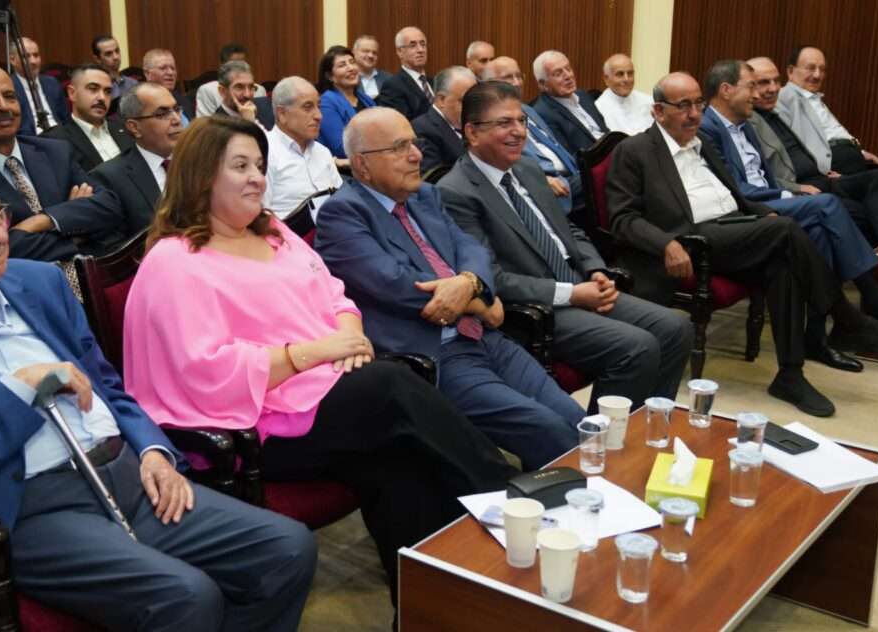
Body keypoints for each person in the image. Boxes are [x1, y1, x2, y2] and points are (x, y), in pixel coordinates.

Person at [0, 159, 316, 632]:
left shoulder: (40, 282)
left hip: (127, 473)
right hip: (27, 507)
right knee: (186, 598)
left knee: (287, 549)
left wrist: (152, 450)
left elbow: (108, 386)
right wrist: (20, 389)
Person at [122, 115, 517, 608]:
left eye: (260, 166)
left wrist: (350, 334)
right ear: (201, 176)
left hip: (330, 395)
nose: (257, 178)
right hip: (257, 425)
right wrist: (316, 353)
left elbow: (335, 296)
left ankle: (429, 609)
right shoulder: (174, 261)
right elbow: (203, 370)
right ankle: (511, 502)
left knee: (399, 467)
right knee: (391, 385)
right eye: (240, 166)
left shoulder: (274, 232)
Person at [606, 72, 878, 416]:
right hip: (693, 238)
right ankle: (848, 320)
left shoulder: (701, 142)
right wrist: (666, 244)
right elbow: (622, 218)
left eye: (698, 103)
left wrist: (763, 214)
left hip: (733, 226)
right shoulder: (635, 150)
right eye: (683, 105)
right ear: (658, 111)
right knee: (786, 230)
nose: (694, 113)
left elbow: (736, 195)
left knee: (783, 260)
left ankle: (790, 375)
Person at [315, 107, 585, 470]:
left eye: (414, 143)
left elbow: (473, 250)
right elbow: (396, 284)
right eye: (400, 147)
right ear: (362, 164)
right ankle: (572, 500)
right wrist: (479, 303)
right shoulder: (342, 214)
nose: (416, 155)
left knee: (576, 419)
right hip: (434, 355)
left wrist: (469, 282)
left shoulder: (425, 196)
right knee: (546, 429)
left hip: (487, 338)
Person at [438, 81, 693, 411]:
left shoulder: (526, 168)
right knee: (638, 346)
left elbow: (567, 229)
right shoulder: (456, 192)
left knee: (676, 328)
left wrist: (595, 269)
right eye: (504, 123)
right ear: (472, 132)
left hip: (580, 283)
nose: (519, 132)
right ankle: (601, 437)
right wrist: (572, 294)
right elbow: (491, 278)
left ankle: (648, 424)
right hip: (537, 309)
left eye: (521, 121)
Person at [698, 59, 878, 344]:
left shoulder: (744, 125)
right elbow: (736, 189)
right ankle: (872, 297)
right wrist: (787, 194)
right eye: (751, 87)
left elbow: (766, 177)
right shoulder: (707, 128)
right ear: (726, 90)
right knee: (828, 204)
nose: (757, 95)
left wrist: (787, 192)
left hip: (771, 198)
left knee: (820, 231)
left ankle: (816, 337)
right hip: (748, 208)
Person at [0, 64, 124, 262]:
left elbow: (109, 206)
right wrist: (74, 232)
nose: (3, 106)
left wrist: (43, 221)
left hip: (88, 272)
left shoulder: (54, 151)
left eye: (9, 96)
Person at [749, 56, 878, 247]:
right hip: (802, 188)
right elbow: (758, 176)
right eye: (764, 82)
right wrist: (796, 188)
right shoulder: (749, 120)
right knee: (863, 212)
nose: (773, 89)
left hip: (823, 177)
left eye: (776, 81)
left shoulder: (774, 112)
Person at [483, 58, 583, 214]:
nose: (517, 83)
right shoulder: (489, 121)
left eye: (519, 76)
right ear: (489, 84)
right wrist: (539, 180)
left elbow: (555, 147)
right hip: (546, 187)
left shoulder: (529, 110)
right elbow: (499, 164)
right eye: (509, 77)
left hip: (572, 176)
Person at [778, 46, 878, 177]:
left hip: (851, 156)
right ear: (790, 71)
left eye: (822, 69)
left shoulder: (814, 99)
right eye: (811, 68)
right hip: (831, 165)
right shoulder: (785, 97)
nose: (817, 75)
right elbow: (792, 146)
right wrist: (823, 173)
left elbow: (831, 132)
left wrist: (862, 153)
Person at [89, 83, 182, 242]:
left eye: (176, 109)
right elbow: (113, 247)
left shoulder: (201, 161)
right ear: (135, 127)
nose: (177, 120)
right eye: (162, 114)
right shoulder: (109, 178)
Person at [262, 77, 343, 220]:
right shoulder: (264, 152)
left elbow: (342, 200)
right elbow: (261, 217)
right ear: (282, 114)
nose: (319, 116)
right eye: (308, 107)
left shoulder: (322, 152)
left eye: (318, 106)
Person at [41, 64, 134, 172]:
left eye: (108, 92)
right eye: (93, 89)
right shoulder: (55, 141)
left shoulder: (124, 128)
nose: (102, 98)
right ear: (72, 93)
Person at [531, 50, 610, 154]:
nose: (568, 76)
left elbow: (604, 130)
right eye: (558, 73)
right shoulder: (543, 113)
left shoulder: (583, 95)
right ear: (543, 84)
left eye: (568, 69)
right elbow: (567, 156)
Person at [410, 66, 474, 174]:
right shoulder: (421, 129)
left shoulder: (474, 125)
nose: (472, 107)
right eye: (464, 101)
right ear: (441, 100)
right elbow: (435, 178)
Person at [317, 45, 375, 160]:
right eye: (342, 65)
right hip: (346, 167)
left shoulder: (366, 100)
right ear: (330, 76)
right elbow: (341, 148)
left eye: (352, 62)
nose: (351, 68)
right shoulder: (326, 103)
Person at [8, 37, 70, 135]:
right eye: (26, 56)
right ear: (12, 60)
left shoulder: (52, 82)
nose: (33, 61)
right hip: (31, 137)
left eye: (36, 55)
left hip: (59, 134)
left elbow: (65, 119)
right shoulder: (8, 87)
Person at [196, 43, 268, 117]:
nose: (247, 94)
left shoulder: (259, 89)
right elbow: (205, 122)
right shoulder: (208, 90)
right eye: (239, 87)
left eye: (242, 64)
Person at [376, 26, 433, 120]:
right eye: (413, 46)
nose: (420, 50)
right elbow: (399, 124)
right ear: (400, 51)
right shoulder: (392, 86)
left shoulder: (434, 82)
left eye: (423, 44)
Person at [595, 53, 653, 135]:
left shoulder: (649, 101)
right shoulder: (599, 109)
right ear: (606, 79)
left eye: (630, 73)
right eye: (620, 74)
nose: (626, 79)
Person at [212, 61, 275, 129]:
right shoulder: (214, 127)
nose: (247, 95)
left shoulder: (268, 108)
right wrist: (249, 123)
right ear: (222, 91)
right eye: (239, 87)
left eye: (251, 87)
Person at [142, 49, 194, 125]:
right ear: (147, 74)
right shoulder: (139, 102)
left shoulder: (183, 100)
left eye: (173, 68)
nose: (170, 72)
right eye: (163, 68)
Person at [91, 35, 138, 100]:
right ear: (97, 59)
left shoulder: (133, 84)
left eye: (117, 51)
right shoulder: (93, 87)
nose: (116, 57)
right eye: (108, 54)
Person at [353, 34, 391, 99]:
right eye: (366, 51)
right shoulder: (348, 79)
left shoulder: (388, 79)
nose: (371, 55)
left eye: (374, 53)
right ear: (354, 52)